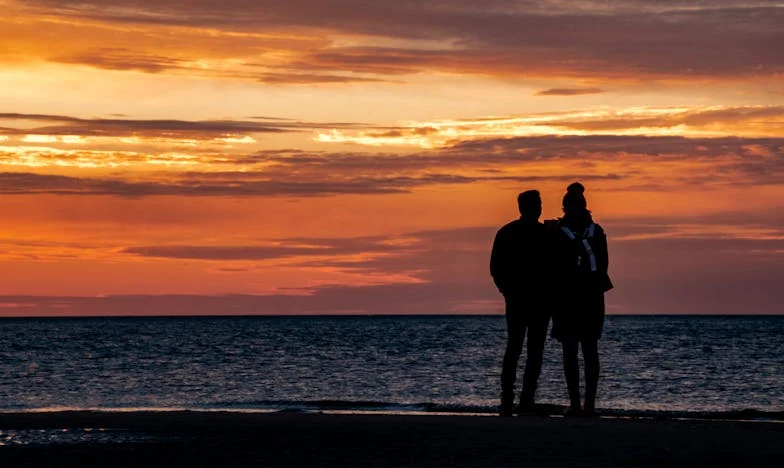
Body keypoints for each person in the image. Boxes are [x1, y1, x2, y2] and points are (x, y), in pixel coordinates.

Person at [549, 182, 612, 417]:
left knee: (570, 352)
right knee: (590, 351)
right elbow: (604, 264)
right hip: (592, 296)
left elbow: (552, 267)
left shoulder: (558, 232)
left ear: (565, 208)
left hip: (566, 298)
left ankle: (576, 404)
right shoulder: (597, 231)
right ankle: (589, 404)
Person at [490, 190, 553, 417]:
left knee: (516, 349)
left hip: (524, 299)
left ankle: (511, 399)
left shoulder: (508, 232)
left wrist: (507, 290)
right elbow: (496, 267)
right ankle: (522, 399)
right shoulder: (543, 234)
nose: (540, 208)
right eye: (538, 204)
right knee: (530, 350)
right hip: (533, 300)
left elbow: (496, 268)